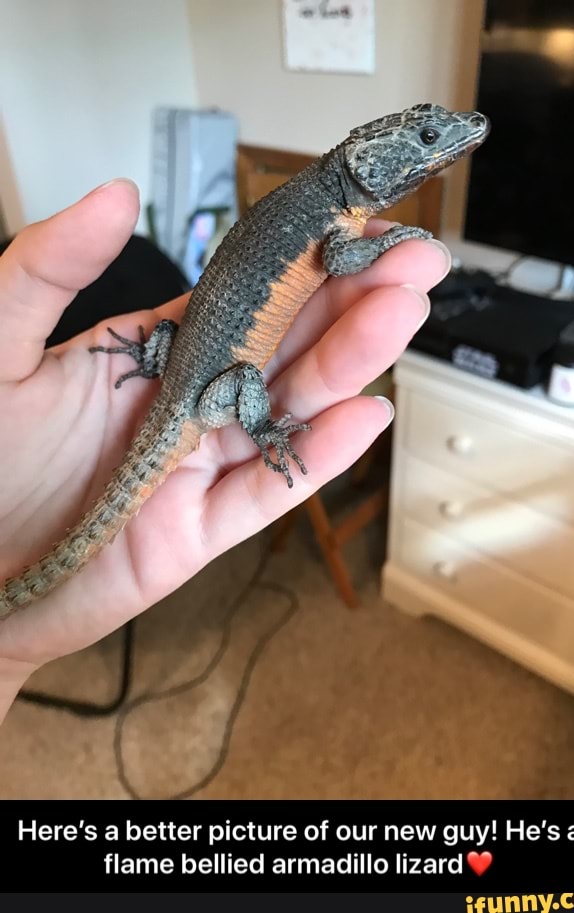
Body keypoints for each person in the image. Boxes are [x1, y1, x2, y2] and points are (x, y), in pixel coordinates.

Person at [0, 178, 450, 724]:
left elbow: (334, 253)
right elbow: (341, 255)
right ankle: (264, 434)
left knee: (182, 337)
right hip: (204, 400)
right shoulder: (335, 210)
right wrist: (386, 242)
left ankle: (164, 372)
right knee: (244, 378)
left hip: (177, 369)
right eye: (424, 140)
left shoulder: (326, 196)